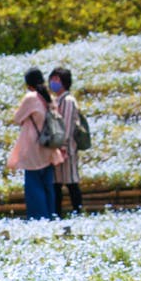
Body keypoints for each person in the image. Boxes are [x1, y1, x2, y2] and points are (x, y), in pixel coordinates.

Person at [7, 67, 64, 220]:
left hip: (33, 146)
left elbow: (17, 118)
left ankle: (38, 218)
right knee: (47, 184)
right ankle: (50, 215)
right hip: (49, 145)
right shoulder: (48, 97)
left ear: (28, 84)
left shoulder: (31, 97)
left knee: (34, 185)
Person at [49, 66, 83, 217]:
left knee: (71, 182)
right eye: (52, 79)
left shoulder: (68, 101)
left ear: (64, 82)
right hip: (57, 148)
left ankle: (77, 212)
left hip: (66, 148)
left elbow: (67, 125)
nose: (53, 82)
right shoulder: (58, 99)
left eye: (56, 79)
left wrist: (62, 146)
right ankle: (58, 214)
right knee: (57, 183)